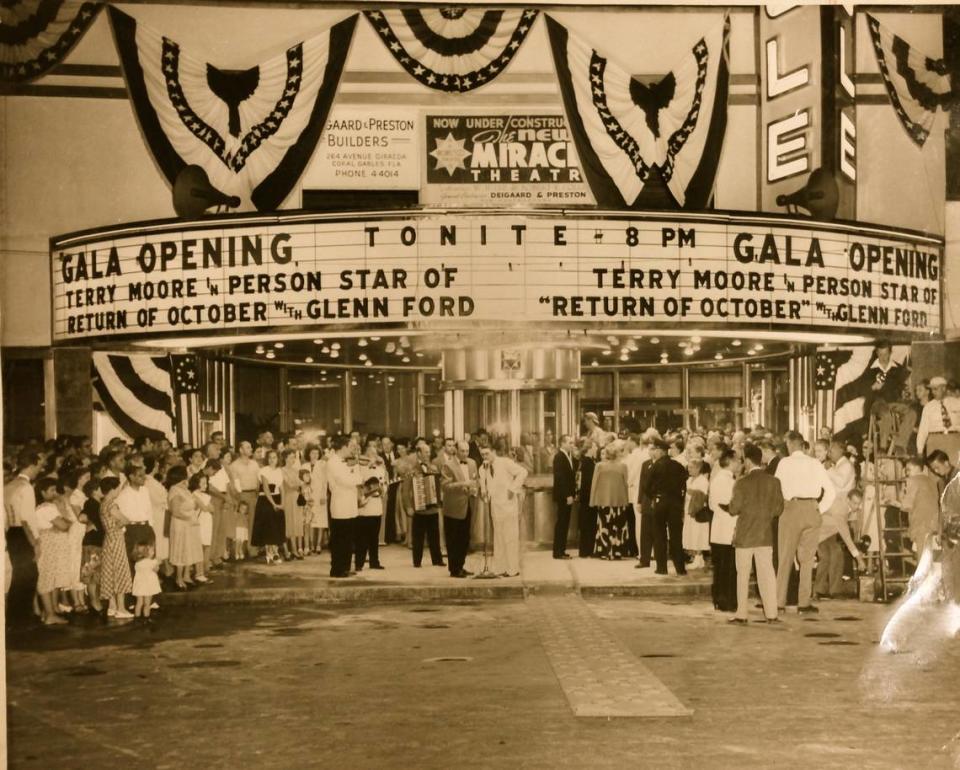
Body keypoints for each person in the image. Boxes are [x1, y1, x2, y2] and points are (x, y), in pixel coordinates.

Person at [775, 430, 836, 613]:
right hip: (811, 509)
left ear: (789, 445)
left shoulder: (784, 463)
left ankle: (779, 602)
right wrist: (819, 509)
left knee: (785, 557)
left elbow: (777, 489)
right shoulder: (815, 463)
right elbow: (831, 492)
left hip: (791, 509)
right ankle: (804, 603)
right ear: (803, 445)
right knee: (807, 560)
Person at [728, 444, 783, 624]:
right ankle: (772, 614)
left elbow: (734, 509)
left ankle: (741, 614)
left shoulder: (742, 482)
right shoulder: (774, 481)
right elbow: (778, 509)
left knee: (742, 575)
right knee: (767, 575)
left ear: (749, 461)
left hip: (745, 535)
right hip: (765, 534)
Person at [479, 442, 527, 577]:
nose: (485, 457)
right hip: (495, 508)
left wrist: (513, 489)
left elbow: (523, 472)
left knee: (510, 538)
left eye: (487, 453)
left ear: (493, 451)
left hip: (509, 507)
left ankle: (513, 569)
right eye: (482, 454)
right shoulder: (482, 468)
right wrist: (484, 494)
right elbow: (484, 487)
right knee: (498, 539)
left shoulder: (505, 462)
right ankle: (500, 568)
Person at [4, 450, 42, 621]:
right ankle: (22, 616)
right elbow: (27, 518)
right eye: (39, 466)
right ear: (32, 465)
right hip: (23, 533)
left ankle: (15, 614)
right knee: (29, 575)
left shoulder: (8, 485)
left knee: (18, 574)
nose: (39, 470)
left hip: (11, 533)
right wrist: (35, 543)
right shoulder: (26, 487)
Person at [645, 438, 688, 575]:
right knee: (676, 535)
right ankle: (680, 567)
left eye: (655, 450)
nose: (654, 453)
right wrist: (680, 501)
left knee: (659, 534)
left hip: (660, 501)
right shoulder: (678, 466)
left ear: (661, 451)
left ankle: (662, 567)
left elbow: (646, 487)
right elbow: (684, 485)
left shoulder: (655, 466)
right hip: (675, 503)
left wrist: (653, 496)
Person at [34, 477, 72, 625]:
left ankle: (49, 611)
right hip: (49, 546)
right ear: (42, 492)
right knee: (46, 579)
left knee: (51, 579)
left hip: (52, 546)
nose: (55, 493)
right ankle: (50, 615)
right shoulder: (46, 508)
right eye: (51, 490)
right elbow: (64, 525)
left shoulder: (47, 507)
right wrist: (64, 517)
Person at [815, 486, 864, 600]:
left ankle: (835, 591)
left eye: (859, 503)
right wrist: (859, 559)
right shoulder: (840, 509)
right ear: (848, 500)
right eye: (855, 503)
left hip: (829, 533)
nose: (857, 507)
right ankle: (818, 590)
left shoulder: (845, 504)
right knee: (825, 557)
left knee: (838, 554)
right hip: (817, 533)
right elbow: (846, 536)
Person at [441, 440, 479, 578]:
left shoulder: (472, 463)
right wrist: (463, 484)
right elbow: (445, 486)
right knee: (453, 540)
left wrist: (475, 489)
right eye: (462, 451)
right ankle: (454, 569)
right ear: (456, 450)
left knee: (464, 538)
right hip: (453, 507)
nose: (465, 454)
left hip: (469, 505)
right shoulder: (448, 465)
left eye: (467, 451)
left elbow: (476, 481)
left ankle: (461, 565)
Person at [327, 434, 362, 578]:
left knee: (349, 539)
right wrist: (356, 476)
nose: (352, 450)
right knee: (339, 539)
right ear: (343, 447)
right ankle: (337, 569)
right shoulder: (333, 462)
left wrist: (355, 473)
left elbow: (357, 477)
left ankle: (346, 567)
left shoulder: (347, 461)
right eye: (350, 447)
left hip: (350, 505)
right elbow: (345, 481)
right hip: (340, 506)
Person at [99, 476, 133, 618]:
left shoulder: (102, 504)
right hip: (116, 539)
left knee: (110, 572)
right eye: (118, 487)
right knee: (119, 571)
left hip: (108, 539)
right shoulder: (111, 504)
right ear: (112, 489)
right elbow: (125, 519)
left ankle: (112, 606)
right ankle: (121, 608)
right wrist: (120, 525)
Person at [590, 442, 630, 560]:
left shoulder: (599, 466)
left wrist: (592, 501)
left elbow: (594, 484)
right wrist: (627, 500)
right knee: (618, 526)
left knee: (604, 526)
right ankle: (617, 551)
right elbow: (626, 484)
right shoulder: (623, 466)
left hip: (603, 501)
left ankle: (604, 551)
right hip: (620, 500)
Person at [708, 450, 738, 609]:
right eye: (738, 460)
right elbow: (728, 504)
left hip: (720, 528)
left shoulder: (720, 479)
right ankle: (726, 600)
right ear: (731, 461)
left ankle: (720, 599)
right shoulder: (725, 481)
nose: (740, 463)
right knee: (727, 567)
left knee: (721, 567)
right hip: (727, 529)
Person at [408, 439, 444, 568]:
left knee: (435, 535)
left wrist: (439, 499)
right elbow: (406, 490)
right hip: (419, 507)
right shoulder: (412, 469)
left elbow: (438, 486)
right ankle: (417, 561)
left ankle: (437, 559)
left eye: (429, 451)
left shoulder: (433, 468)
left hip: (432, 508)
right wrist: (408, 506)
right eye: (425, 452)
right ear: (418, 453)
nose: (428, 454)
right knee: (418, 536)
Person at [167, 466, 203, 590]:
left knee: (189, 550)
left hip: (190, 525)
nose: (188, 474)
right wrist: (189, 517)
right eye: (186, 472)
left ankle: (187, 576)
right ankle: (179, 578)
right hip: (181, 525)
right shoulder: (174, 490)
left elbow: (191, 505)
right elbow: (175, 511)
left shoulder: (185, 489)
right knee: (180, 550)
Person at [355, 443, 387, 572]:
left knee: (374, 538)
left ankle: (374, 562)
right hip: (364, 508)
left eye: (375, 454)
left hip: (376, 507)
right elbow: (359, 485)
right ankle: (359, 563)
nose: (374, 457)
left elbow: (384, 483)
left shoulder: (380, 469)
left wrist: (382, 491)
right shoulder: (360, 469)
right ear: (366, 456)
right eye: (371, 454)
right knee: (361, 539)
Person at [251, 450, 286, 565]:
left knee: (276, 526)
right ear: (267, 459)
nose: (272, 460)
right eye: (270, 457)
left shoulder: (279, 471)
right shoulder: (263, 470)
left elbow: (282, 489)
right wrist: (273, 504)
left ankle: (275, 552)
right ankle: (269, 553)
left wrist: (282, 503)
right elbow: (266, 489)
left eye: (274, 457)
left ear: (278, 459)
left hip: (277, 499)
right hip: (266, 500)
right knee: (268, 526)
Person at [900, 456, 941, 555]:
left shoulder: (912, 481)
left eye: (908, 470)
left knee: (921, 558)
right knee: (931, 557)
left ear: (917, 468)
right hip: (935, 524)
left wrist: (893, 502)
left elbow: (906, 505)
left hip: (921, 524)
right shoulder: (931, 481)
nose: (907, 473)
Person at [917, 376, 960, 461]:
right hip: (935, 440)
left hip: (954, 438)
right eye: (932, 389)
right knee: (935, 468)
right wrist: (920, 450)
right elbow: (923, 429)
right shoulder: (928, 407)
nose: (933, 392)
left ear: (944, 388)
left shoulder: (957, 403)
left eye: (935, 389)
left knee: (956, 467)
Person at [230, 442, 262, 558]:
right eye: (248, 447)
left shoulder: (255, 464)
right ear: (241, 450)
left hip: (254, 494)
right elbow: (234, 483)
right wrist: (237, 498)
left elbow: (259, 480)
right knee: (240, 524)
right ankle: (238, 550)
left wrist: (258, 494)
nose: (251, 449)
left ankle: (251, 548)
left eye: (250, 447)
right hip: (241, 495)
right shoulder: (234, 465)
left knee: (253, 522)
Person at [79, 478, 105, 612]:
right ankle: (94, 602)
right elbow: (83, 517)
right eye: (101, 488)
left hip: (97, 542)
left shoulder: (97, 503)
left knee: (96, 574)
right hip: (92, 543)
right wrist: (92, 523)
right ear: (94, 491)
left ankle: (96, 600)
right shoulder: (91, 503)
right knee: (91, 575)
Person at [552, 434, 578, 559]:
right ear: (562, 443)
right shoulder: (559, 457)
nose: (572, 445)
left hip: (568, 495)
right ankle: (558, 551)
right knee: (562, 523)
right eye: (570, 442)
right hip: (563, 496)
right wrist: (567, 494)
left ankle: (561, 550)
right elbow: (560, 478)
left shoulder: (569, 456)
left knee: (564, 523)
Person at [682, 459, 710, 569]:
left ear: (698, 468)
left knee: (699, 534)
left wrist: (690, 491)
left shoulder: (703, 480)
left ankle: (699, 557)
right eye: (688, 467)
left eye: (692, 468)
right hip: (688, 510)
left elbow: (702, 495)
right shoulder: (689, 480)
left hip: (697, 511)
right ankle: (696, 558)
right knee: (690, 535)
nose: (689, 470)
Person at [280, 450, 305, 560]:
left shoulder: (295, 470)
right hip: (287, 498)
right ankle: (286, 551)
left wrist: (299, 485)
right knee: (288, 523)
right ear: (285, 458)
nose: (292, 459)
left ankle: (294, 549)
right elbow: (289, 484)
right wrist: (298, 485)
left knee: (296, 523)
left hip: (296, 498)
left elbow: (302, 484)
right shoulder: (281, 471)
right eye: (290, 457)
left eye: (294, 457)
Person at [306, 445, 329, 554]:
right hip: (309, 496)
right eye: (312, 453)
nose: (314, 455)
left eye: (316, 453)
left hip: (320, 495)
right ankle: (310, 544)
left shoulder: (323, 464)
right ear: (308, 454)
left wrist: (324, 496)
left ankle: (318, 544)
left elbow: (325, 481)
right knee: (310, 521)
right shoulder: (304, 466)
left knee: (320, 521)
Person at [577, 440, 598, 558]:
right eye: (595, 447)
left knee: (585, 522)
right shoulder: (588, 463)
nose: (596, 449)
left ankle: (585, 549)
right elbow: (590, 482)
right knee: (589, 523)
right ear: (590, 448)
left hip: (585, 497)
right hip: (589, 497)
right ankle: (587, 549)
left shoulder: (584, 461)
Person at [191, 472, 213, 584]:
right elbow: (205, 508)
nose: (206, 485)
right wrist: (207, 506)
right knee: (199, 548)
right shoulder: (194, 494)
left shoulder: (204, 495)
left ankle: (203, 571)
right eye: (203, 483)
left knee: (206, 546)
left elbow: (212, 508)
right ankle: (198, 573)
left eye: (206, 483)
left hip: (207, 523)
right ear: (196, 483)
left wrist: (208, 506)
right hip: (200, 523)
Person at [131, 543, 161, 624]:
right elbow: (156, 570)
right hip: (148, 586)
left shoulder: (137, 563)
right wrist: (158, 563)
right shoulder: (152, 562)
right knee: (147, 603)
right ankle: (146, 618)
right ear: (146, 552)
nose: (154, 552)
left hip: (139, 586)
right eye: (152, 551)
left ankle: (136, 618)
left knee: (139, 603)